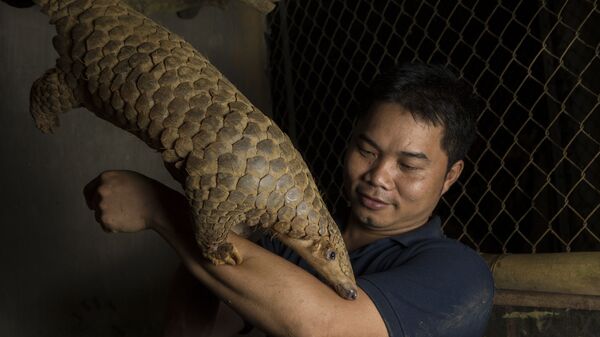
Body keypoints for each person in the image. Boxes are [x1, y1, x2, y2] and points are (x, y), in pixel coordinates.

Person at [83, 63, 494, 337]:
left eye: (408, 165)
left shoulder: (458, 274)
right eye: (367, 151)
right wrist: (206, 199)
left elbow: (326, 327)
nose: (378, 177)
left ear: (449, 176)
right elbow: (193, 329)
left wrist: (160, 208)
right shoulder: (286, 241)